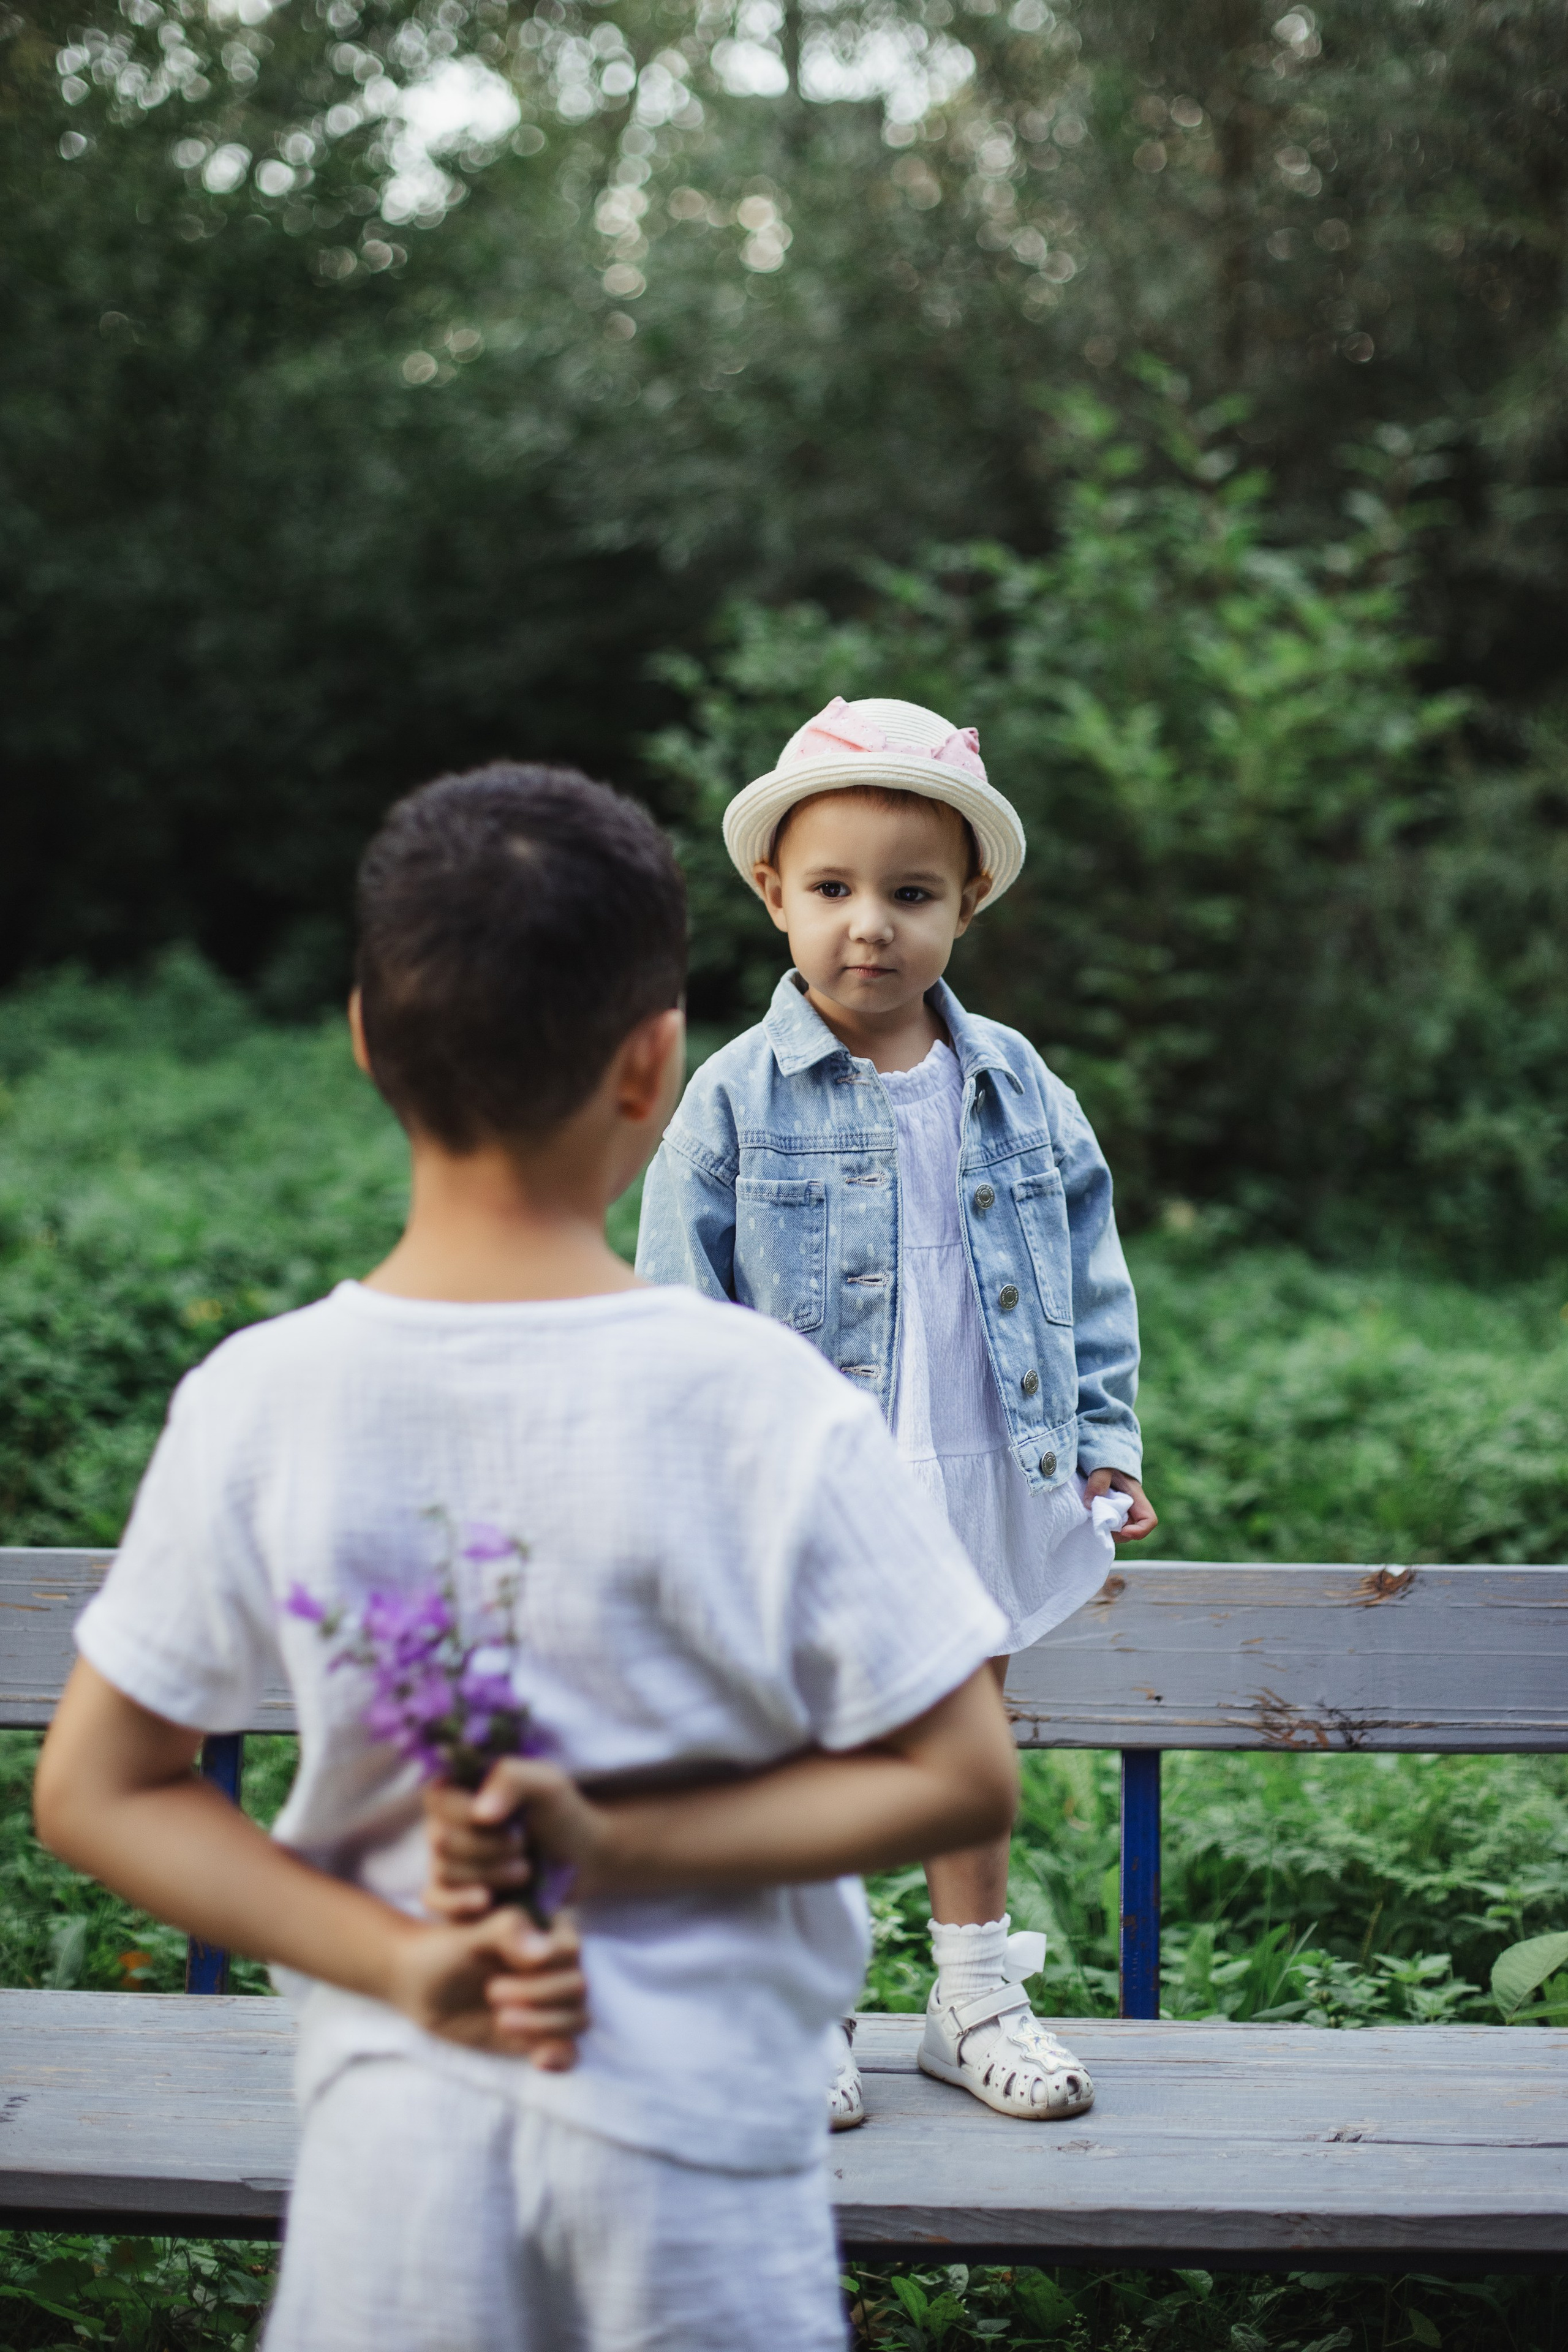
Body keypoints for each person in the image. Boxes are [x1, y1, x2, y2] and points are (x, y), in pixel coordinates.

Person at [33, 763, 1022, 2352]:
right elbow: (965, 1776)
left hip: (394, 2153)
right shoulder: (774, 1404)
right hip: (705, 2165)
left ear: (364, 1039)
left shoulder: (262, 1400)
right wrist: (618, 1850)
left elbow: (95, 1788)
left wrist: (406, 1962)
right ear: (653, 1066)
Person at [631, 696, 1156, 2128]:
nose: (870, 925)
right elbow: (676, 1312)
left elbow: (1087, 1273)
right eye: (833, 891)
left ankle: (969, 1993)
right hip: (806, 1480)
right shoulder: (732, 1101)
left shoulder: (1014, 1085)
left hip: (979, 1459)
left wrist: (1101, 1440)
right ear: (771, 896)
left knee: (956, 1738)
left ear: (967, 904)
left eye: (910, 894)